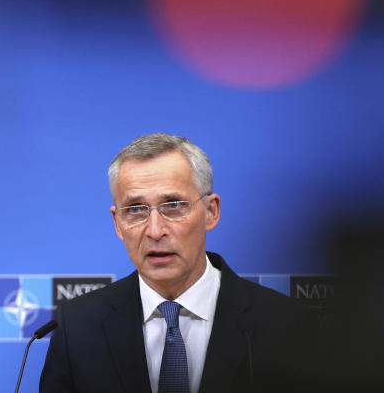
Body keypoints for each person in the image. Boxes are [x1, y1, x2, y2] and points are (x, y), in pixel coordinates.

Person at [40, 133, 314, 393]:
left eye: (173, 205)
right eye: (135, 209)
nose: (155, 230)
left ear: (211, 212)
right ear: (118, 224)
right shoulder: (78, 327)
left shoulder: (284, 324)